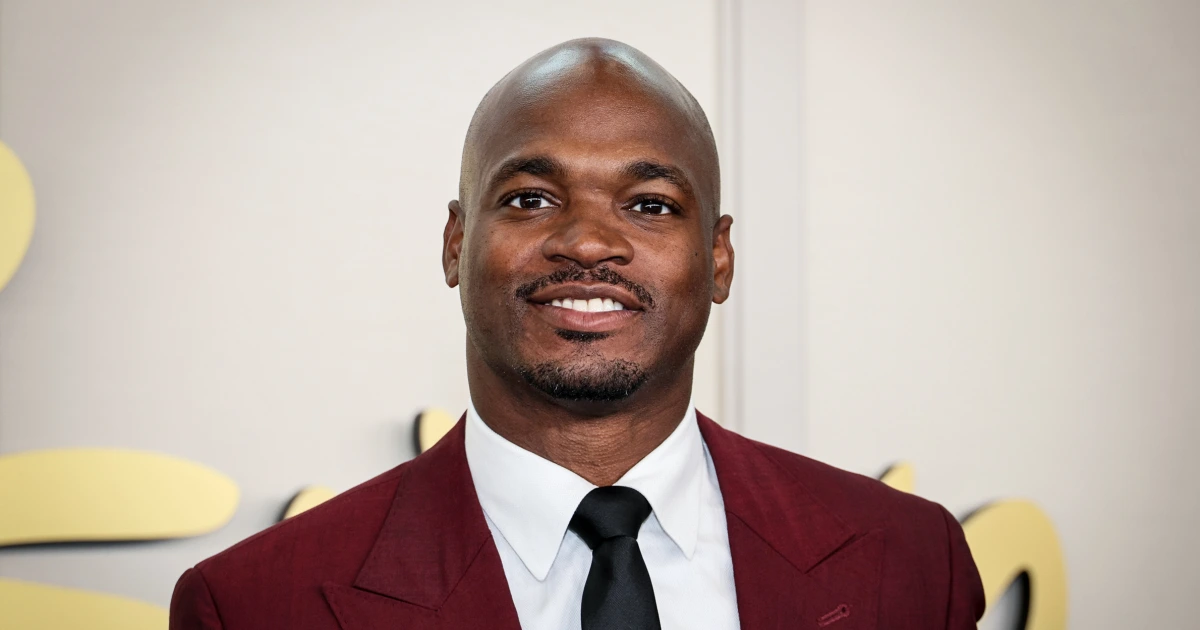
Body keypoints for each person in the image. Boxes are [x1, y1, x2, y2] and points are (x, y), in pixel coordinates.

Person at [170, 38, 984, 630]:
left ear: (719, 259)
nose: (589, 243)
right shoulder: (253, 606)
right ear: (456, 244)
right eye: (530, 199)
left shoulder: (910, 561)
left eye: (650, 205)